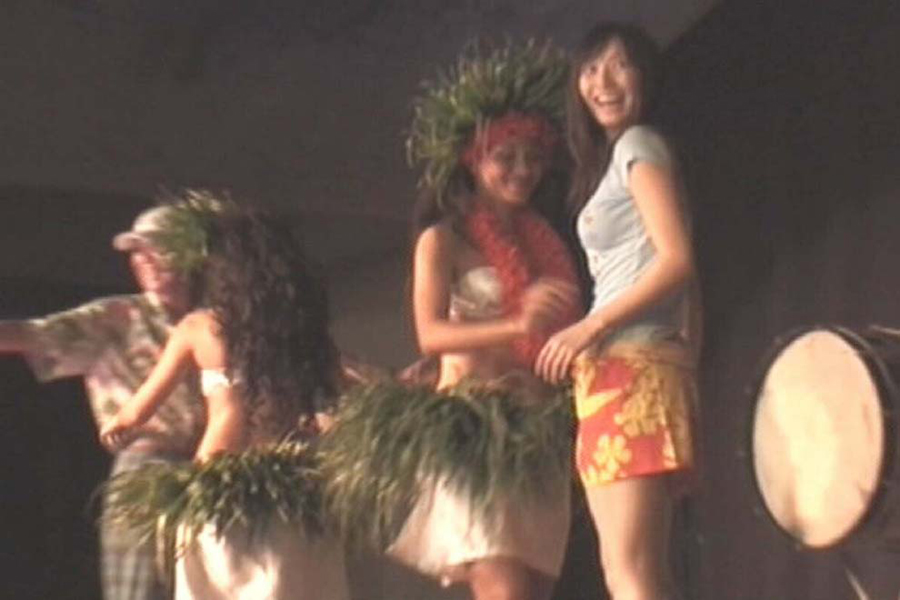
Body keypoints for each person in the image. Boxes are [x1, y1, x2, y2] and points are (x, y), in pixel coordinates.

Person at [321, 41, 581, 600]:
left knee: (532, 592)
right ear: (472, 159)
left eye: (533, 157)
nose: (523, 170)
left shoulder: (546, 244)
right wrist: (518, 324)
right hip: (475, 430)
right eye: (505, 156)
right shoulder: (442, 242)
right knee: (503, 590)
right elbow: (430, 334)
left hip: (535, 434)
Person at [100, 204, 350, 600]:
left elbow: (140, 407)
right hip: (289, 476)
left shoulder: (198, 328)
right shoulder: (296, 336)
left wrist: (117, 424)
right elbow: (344, 383)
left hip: (220, 471)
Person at [534, 22, 701, 600]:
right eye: (590, 69)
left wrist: (590, 326)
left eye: (619, 65)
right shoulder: (620, 156)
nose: (602, 82)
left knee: (629, 572)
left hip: (630, 366)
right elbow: (689, 283)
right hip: (631, 367)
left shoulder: (638, 145)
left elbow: (677, 260)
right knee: (641, 571)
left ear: (645, 77)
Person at [0, 203, 206, 600]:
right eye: (137, 252)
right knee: (141, 588)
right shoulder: (120, 316)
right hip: (149, 466)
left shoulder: (216, 321)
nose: (145, 260)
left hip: (212, 468)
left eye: (158, 248)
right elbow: (32, 333)